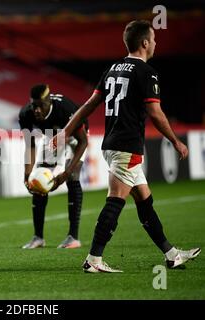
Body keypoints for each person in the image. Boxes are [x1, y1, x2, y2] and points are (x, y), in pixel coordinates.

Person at [51, 20, 201, 272]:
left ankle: (172, 254)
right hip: (127, 145)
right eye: (153, 39)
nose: (155, 43)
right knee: (115, 200)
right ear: (144, 43)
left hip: (112, 144)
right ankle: (93, 260)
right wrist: (175, 140)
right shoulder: (147, 72)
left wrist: (66, 131)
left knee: (144, 200)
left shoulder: (113, 69)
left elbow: (89, 104)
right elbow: (155, 112)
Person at [19, 84, 88, 249]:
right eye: (33, 105)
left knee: (72, 177)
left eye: (40, 106)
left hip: (76, 136)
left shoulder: (65, 109)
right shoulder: (26, 113)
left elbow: (83, 142)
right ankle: (38, 237)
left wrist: (66, 172)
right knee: (37, 179)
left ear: (48, 102)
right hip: (52, 136)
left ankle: (73, 237)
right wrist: (27, 174)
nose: (36, 110)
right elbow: (30, 145)